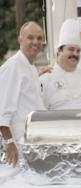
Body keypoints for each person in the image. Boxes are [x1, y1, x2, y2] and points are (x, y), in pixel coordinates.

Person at [0, 21, 46, 167]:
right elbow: (2, 112)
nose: (36, 42)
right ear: (20, 40)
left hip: (33, 141)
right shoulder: (13, 66)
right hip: (18, 145)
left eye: (39, 38)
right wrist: (9, 143)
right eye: (30, 38)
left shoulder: (30, 67)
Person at [40, 19, 81, 110]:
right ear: (60, 50)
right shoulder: (45, 79)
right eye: (71, 49)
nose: (75, 54)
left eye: (78, 51)